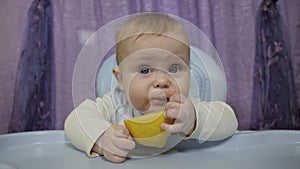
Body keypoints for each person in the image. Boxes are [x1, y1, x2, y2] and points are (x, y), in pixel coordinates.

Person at [64, 13, 238, 163]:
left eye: (174, 68)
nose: (162, 81)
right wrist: (102, 139)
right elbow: (76, 119)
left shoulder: (186, 106)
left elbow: (229, 120)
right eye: (145, 70)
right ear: (121, 79)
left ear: (189, 73)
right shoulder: (117, 103)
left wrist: (193, 121)